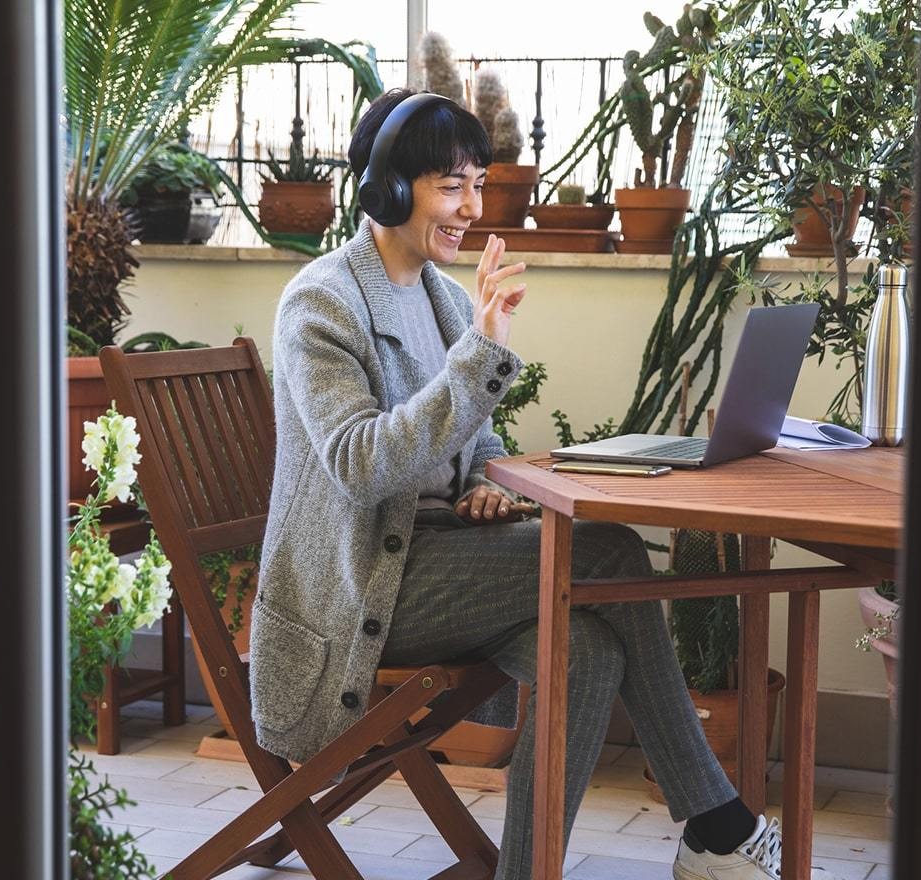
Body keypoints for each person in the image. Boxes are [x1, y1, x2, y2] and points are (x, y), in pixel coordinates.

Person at [254, 88, 832, 880]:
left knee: (587, 651)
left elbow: (473, 438)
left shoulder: (445, 297)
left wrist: (483, 488)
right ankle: (716, 821)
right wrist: (479, 356)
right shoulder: (320, 303)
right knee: (611, 552)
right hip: (357, 585)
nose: (471, 207)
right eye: (451, 185)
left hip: (434, 559)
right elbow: (360, 465)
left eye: (478, 184)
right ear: (389, 187)